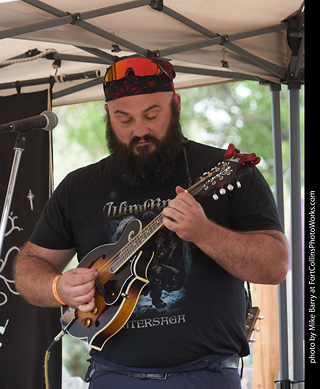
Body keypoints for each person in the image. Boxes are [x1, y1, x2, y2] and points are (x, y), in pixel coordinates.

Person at [14, 57, 289, 388]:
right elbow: (30, 266)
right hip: (111, 375)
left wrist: (205, 233)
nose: (139, 130)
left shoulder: (225, 169)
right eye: (124, 118)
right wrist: (58, 287)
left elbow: (275, 265)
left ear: (176, 105)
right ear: (107, 114)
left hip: (205, 375)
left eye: (151, 115)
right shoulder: (78, 187)